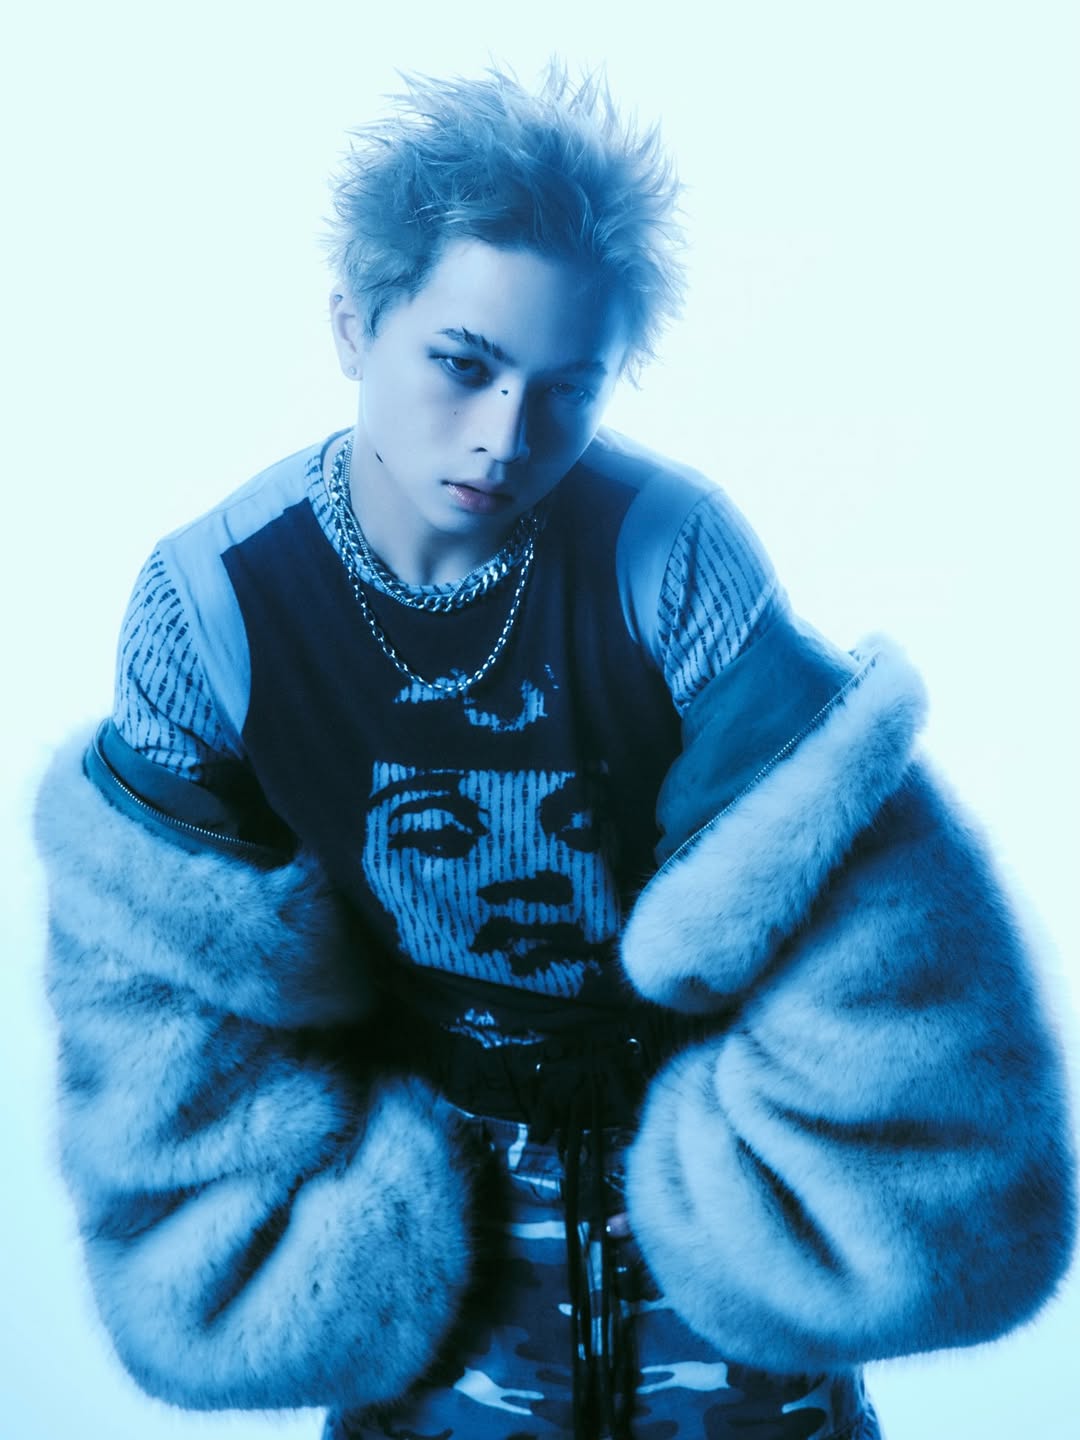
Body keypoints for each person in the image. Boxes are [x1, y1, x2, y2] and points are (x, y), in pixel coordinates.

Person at [34, 65, 1075, 1440]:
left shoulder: (669, 553)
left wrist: (794, 1188)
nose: (505, 438)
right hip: (435, 1231)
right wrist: (292, 1229)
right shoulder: (213, 603)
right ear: (354, 324)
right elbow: (161, 993)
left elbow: (846, 910)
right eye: (462, 364)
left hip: (695, 1204)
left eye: (565, 388)